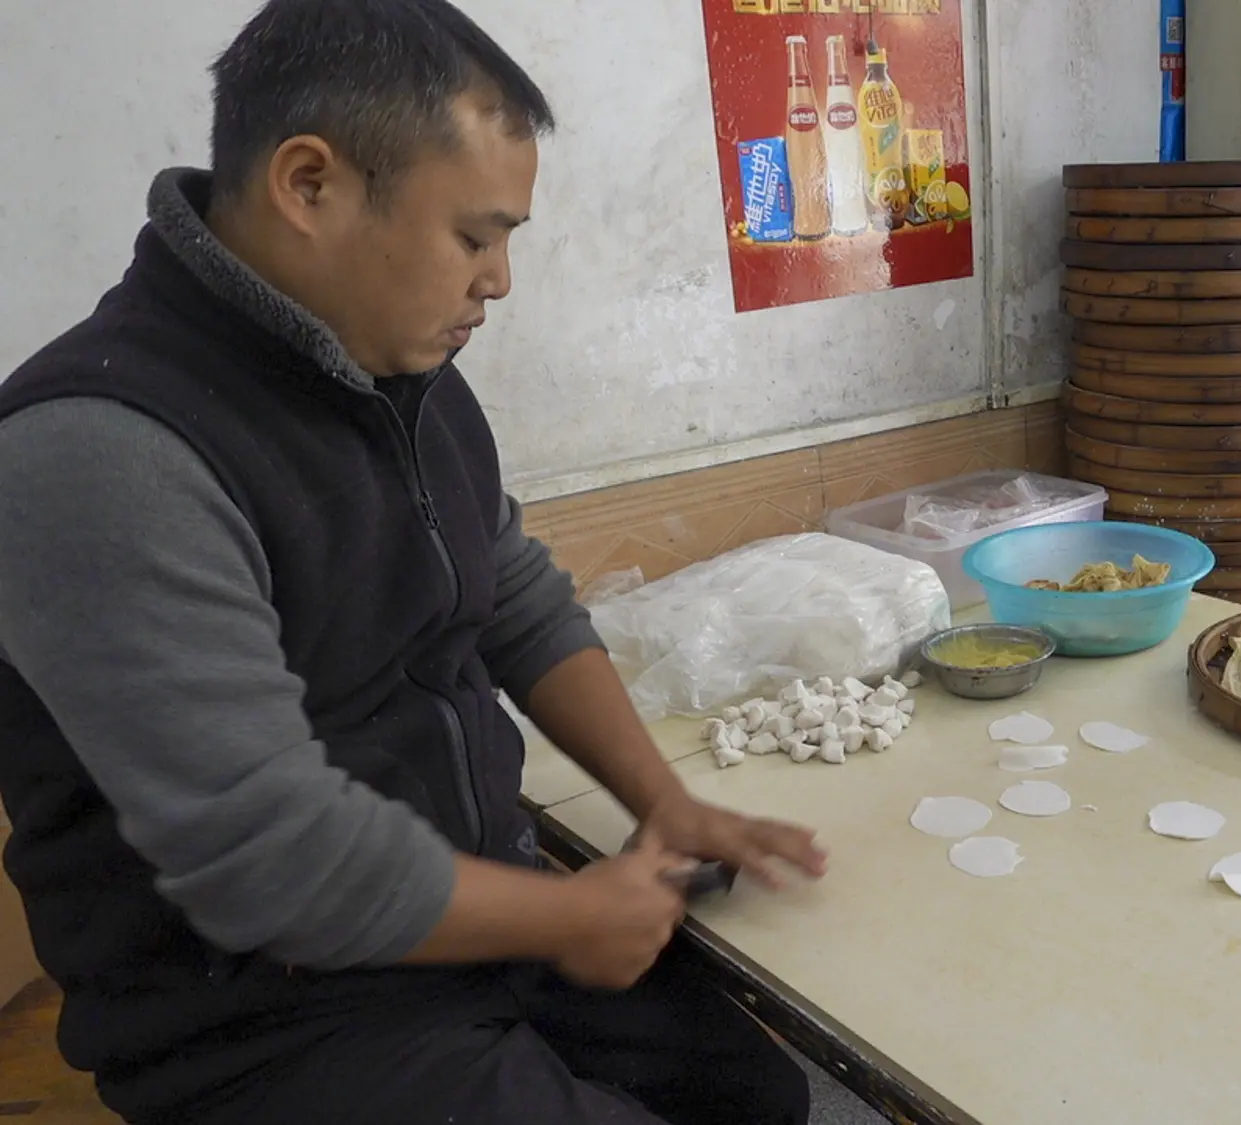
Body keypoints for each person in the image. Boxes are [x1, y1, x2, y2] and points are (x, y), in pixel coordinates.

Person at [0, 2, 827, 1122]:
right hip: (261, 1020)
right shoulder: (98, 452)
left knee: (760, 1098)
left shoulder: (394, 377)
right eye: (474, 237)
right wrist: (575, 918)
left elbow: (515, 603)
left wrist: (663, 801)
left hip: (471, 919)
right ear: (309, 185)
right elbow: (272, 858)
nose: (498, 282)